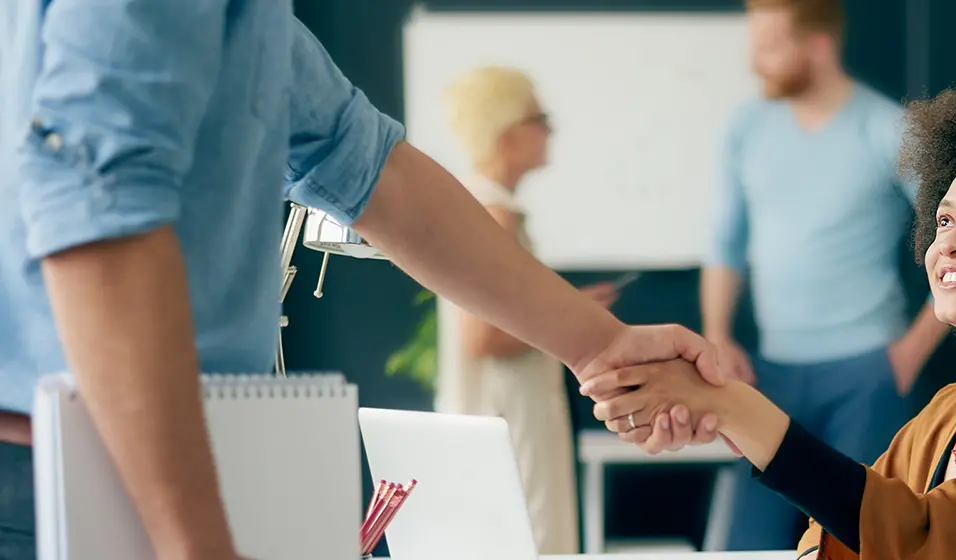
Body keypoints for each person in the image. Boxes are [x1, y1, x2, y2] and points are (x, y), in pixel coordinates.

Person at [0, 5, 721, 559]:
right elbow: (98, 210)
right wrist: (197, 543)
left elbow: (369, 166)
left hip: (162, 465)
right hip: (57, 478)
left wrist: (601, 344)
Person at [585, 52, 956, 559]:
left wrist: (731, 405)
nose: (950, 240)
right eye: (944, 219)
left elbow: (938, 539)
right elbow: (843, 533)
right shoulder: (948, 415)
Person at [703, 0, 948, 549]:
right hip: (768, 377)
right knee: (751, 545)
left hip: (866, 376)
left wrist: (907, 356)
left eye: (768, 47)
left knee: (860, 541)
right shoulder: (747, 127)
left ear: (817, 45)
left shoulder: (890, 128)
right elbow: (726, 243)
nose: (754, 62)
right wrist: (717, 337)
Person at [436, 66, 616, 555]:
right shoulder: (494, 211)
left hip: (504, 416)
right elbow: (482, 337)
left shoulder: (473, 203)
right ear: (508, 132)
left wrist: (565, 307)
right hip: (510, 419)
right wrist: (572, 315)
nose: (550, 132)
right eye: (541, 118)